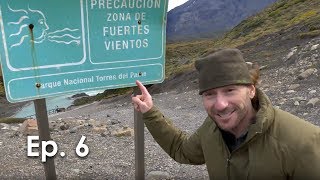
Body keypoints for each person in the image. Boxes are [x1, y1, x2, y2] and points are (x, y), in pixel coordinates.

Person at [131, 48, 320, 179]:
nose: (220, 105)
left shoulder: (304, 141)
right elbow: (182, 150)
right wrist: (150, 112)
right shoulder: (211, 129)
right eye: (210, 94)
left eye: (230, 90)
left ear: (251, 90)